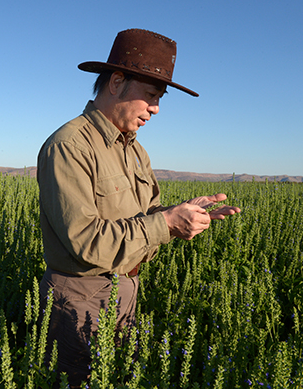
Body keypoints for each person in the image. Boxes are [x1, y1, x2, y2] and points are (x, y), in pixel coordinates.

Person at [36, 28, 240, 387]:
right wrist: (165, 223)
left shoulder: (135, 150)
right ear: (116, 82)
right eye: (150, 95)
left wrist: (182, 215)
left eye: (159, 98)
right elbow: (86, 240)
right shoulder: (70, 146)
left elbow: (145, 218)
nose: (156, 109)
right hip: (80, 297)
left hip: (126, 290)